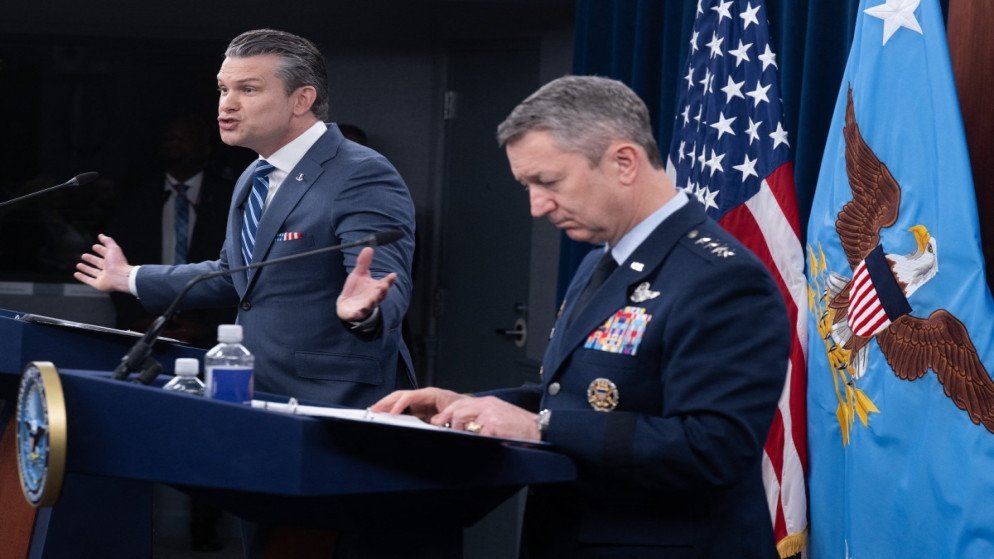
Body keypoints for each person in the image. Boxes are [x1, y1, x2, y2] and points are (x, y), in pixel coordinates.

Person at [372, 75, 790, 558]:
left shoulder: (721, 278)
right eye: (527, 186)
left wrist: (540, 428)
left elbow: (713, 446)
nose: (537, 206)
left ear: (624, 162)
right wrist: (465, 407)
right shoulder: (600, 262)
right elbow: (572, 396)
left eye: (549, 182)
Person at [74, 29, 417, 407]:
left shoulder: (360, 172)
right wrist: (129, 277)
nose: (227, 104)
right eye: (223, 89)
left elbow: (382, 283)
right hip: (258, 393)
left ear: (301, 99)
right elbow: (235, 275)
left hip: (337, 399)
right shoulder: (254, 175)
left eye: (248, 90)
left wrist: (366, 313)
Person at [107, 114, 237, 348]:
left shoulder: (228, 197)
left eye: (183, 138)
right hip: (141, 329)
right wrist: (136, 318)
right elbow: (117, 260)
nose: (173, 143)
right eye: (169, 138)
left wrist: (209, 325)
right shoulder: (135, 197)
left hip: (208, 334)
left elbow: (236, 268)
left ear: (205, 146)